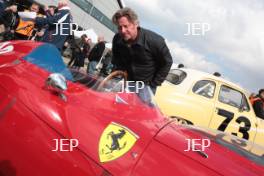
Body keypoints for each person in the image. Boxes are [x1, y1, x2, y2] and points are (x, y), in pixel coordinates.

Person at [111, 7, 173, 95]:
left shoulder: (155, 41)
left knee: (140, 108)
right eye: (119, 27)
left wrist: (153, 84)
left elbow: (167, 62)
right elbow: (116, 59)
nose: (123, 31)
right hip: (126, 82)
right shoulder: (117, 39)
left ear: (136, 24)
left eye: (126, 26)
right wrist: (117, 75)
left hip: (146, 86)